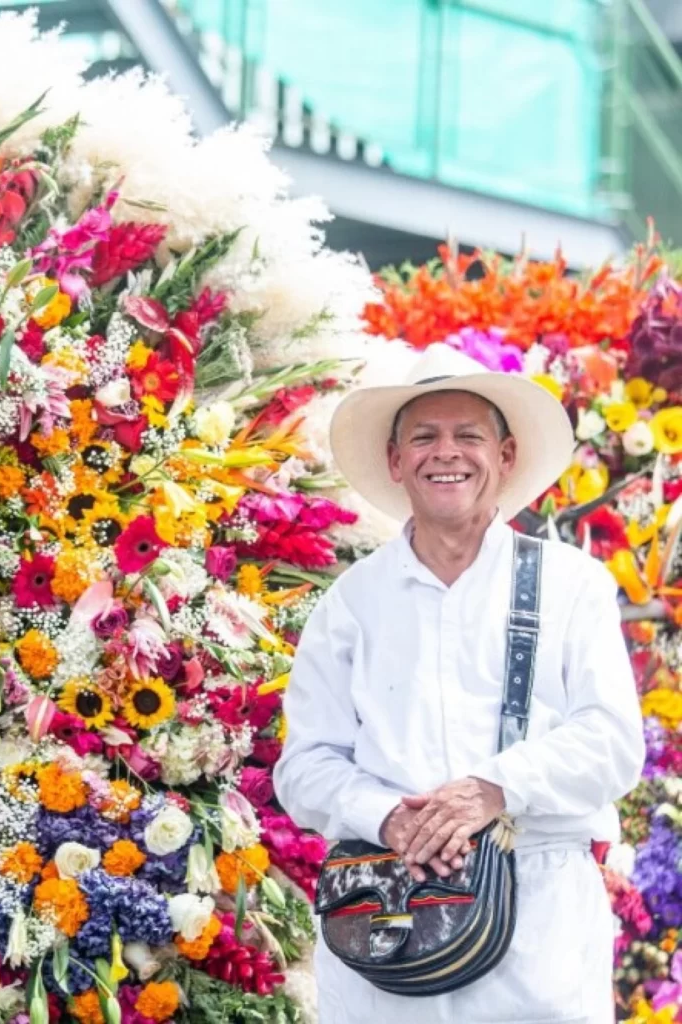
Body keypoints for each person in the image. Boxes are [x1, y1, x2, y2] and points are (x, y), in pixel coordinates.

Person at [274, 344, 645, 1024]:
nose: (446, 453)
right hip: (386, 930)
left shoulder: (572, 585)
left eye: (468, 435)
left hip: (539, 936)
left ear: (504, 458)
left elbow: (613, 742)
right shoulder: (351, 603)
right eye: (424, 437)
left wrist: (493, 789)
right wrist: (388, 816)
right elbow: (305, 767)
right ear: (395, 461)